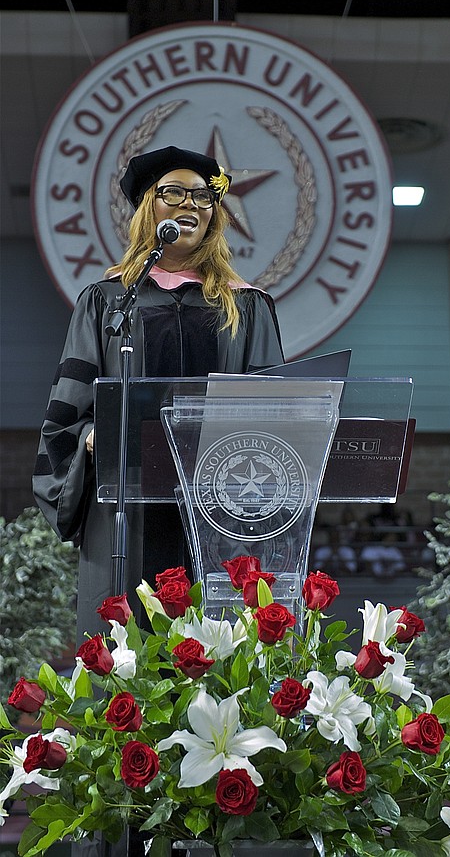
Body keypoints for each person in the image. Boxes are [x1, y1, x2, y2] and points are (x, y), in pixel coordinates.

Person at [33, 145, 285, 644]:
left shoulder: (246, 306)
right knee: (127, 656)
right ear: (149, 208)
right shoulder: (108, 302)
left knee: (219, 660)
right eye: (174, 193)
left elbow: (275, 415)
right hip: (126, 510)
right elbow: (67, 415)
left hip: (221, 509)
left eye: (202, 196)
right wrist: (89, 436)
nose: (190, 204)